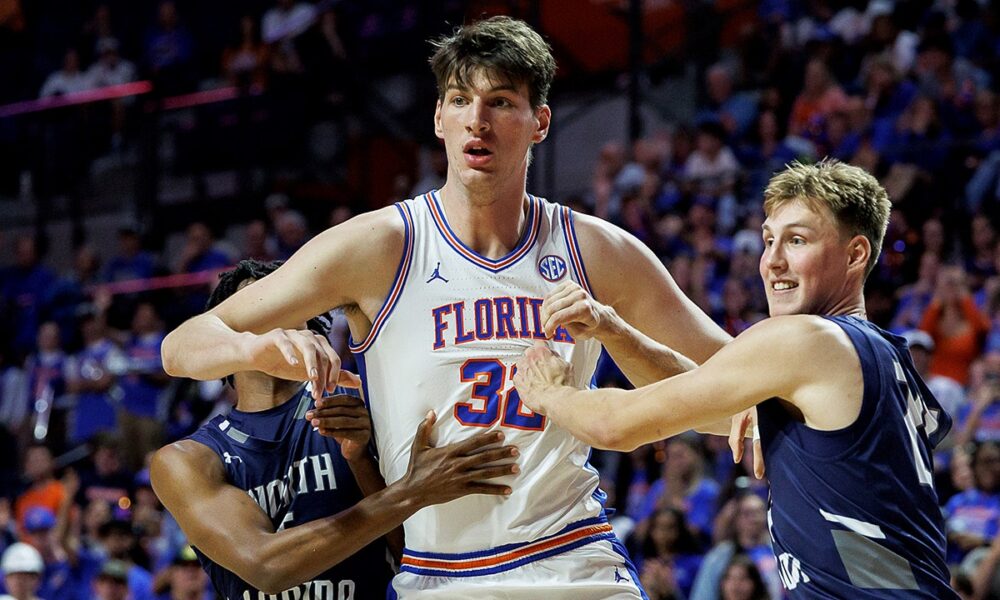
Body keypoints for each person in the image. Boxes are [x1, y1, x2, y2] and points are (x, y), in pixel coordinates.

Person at [160, 16, 730, 598]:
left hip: (574, 564)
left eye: (501, 101)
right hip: (440, 574)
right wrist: (251, 345)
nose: (477, 120)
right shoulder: (379, 245)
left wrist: (622, 337)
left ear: (540, 123)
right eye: (461, 100)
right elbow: (180, 348)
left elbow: (735, 384)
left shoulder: (597, 250)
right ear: (438, 118)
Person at [514, 159, 957, 596]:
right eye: (768, 241)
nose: (772, 262)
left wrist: (550, 393)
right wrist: (613, 330)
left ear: (856, 254)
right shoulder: (881, 355)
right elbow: (706, 405)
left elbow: (616, 425)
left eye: (797, 240)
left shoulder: (807, 340)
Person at [151, 259, 518, 598]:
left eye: (280, 304)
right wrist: (413, 490)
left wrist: (360, 461)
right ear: (221, 341)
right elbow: (267, 567)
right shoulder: (188, 459)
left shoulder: (366, 401)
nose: (268, 315)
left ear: (308, 322)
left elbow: (416, 556)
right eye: (253, 306)